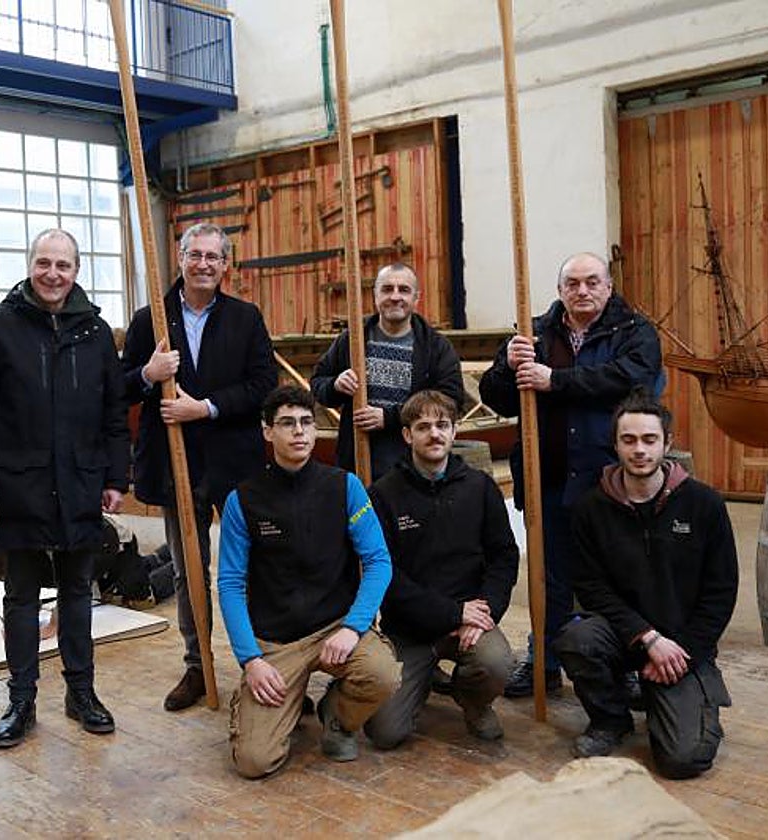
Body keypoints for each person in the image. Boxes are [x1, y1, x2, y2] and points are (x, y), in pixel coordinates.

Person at [0, 229, 129, 749]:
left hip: (78, 485)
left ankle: (81, 692)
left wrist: (116, 477)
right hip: (18, 488)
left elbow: (114, 414)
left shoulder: (95, 333)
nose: (53, 274)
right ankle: (21, 699)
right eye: (44, 263)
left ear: (77, 271)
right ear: (29, 265)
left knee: (78, 594)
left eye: (64, 265)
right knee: (21, 596)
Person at [478, 252, 662, 698]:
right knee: (549, 574)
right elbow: (495, 396)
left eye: (592, 282)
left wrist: (555, 380)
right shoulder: (535, 331)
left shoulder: (633, 332)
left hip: (611, 482)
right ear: (560, 290)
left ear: (609, 286)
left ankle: (631, 661)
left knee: (621, 573)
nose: (583, 291)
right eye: (573, 283)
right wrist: (507, 362)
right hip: (549, 478)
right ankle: (545, 659)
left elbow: (630, 381)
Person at [122, 222, 276, 712]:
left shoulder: (246, 319)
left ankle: (266, 662)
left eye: (214, 257)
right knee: (190, 570)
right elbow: (122, 386)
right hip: (176, 464)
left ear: (225, 265)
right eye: (196, 255)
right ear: (181, 259)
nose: (204, 264)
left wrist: (205, 407)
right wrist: (149, 374)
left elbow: (262, 385)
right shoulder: (152, 319)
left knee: (250, 565)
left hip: (235, 463)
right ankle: (197, 665)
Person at [218, 385, 399, 778]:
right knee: (254, 762)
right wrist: (251, 659)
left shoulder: (345, 487)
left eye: (306, 423)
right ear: (267, 432)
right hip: (277, 639)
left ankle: (335, 712)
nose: (299, 432)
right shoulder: (243, 501)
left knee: (382, 674)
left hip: (335, 627)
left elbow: (379, 561)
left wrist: (354, 627)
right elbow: (230, 584)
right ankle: (270, 699)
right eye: (286, 424)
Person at [555, 392, 737, 777]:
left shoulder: (704, 505)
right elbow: (591, 588)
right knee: (576, 640)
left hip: (682, 645)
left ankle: (663, 694)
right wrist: (647, 638)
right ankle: (610, 719)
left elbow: (720, 593)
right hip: (627, 636)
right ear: (616, 444)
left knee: (684, 761)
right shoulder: (591, 509)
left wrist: (683, 650)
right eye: (629, 440)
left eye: (649, 440)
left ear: (667, 443)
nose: (640, 450)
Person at [365, 390, 520, 746]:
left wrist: (485, 611)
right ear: (407, 435)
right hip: (411, 629)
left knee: (496, 663)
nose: (434, 434)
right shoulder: (383, 495)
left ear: (454, 431)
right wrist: (454, 613)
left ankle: (473, 702)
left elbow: (503, 556)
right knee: (385, 733)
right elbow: (387, 576)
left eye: (442, 425)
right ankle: (420, 681)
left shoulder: (480, 488)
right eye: (423, 427)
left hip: (470, 622)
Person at [310, 262, 463, 479]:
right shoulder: (353, 339)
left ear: (416, 298)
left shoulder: (435, 347)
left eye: (404, 290)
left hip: (414, 466)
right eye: (387, 289)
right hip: (358, 460)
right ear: (375, 296)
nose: (395, 296)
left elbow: (451, 399)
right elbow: (317, 383)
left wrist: (390, 418)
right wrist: (335, 385)